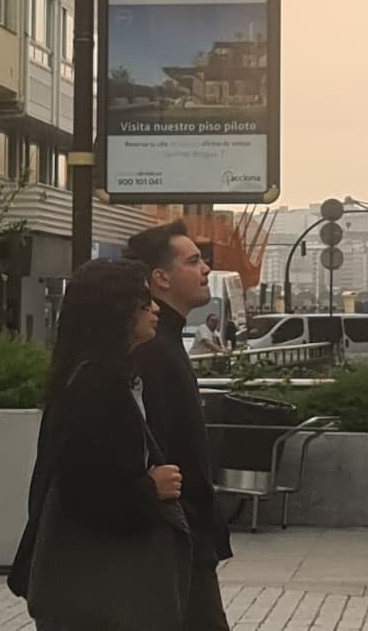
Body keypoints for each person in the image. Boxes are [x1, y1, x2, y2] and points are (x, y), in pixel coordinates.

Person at [8, 259, 189, 629]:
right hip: (100, 594)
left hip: (88, 590)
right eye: (143, 300)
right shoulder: (99, 385)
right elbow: (88, 489)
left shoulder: (91, 376)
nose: (155, 308)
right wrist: (151, 489)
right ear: (116, 309)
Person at [126, 220, 232, 630]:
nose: (205, 269)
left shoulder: (167, 344)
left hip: (184, 538)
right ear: (160, 279)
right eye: (193, 261)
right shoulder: (152, 351)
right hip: (174, 539)